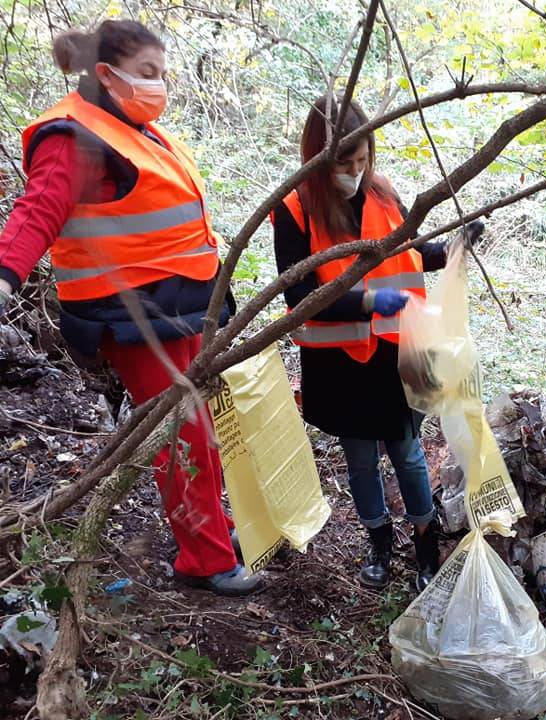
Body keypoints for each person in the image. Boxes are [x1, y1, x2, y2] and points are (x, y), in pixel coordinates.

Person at [0, 20, 259, 596]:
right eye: (147, 73)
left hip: (180, 306)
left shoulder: (137, 129)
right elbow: (37, 211)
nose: (158, 85)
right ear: (106, 74)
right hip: (134, 317)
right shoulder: (73, 135)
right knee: (182, 435)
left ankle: (212, 533)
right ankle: (204, 559)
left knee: (202, 427)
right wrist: (4, 277)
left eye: (162, 74)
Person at [272, 95, 482, 591]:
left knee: (407, 452)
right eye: (344, 163)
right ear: (318, 157)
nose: (355, 171)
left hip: (393, 355)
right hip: (338, 363)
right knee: (361, 458)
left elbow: (410, 253)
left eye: (363, 159)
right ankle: (379, 542)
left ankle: (425, 542)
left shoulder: (383, 192)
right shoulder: (295, 207)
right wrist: (367, 302)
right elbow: (299, 296)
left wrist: (452, 249)